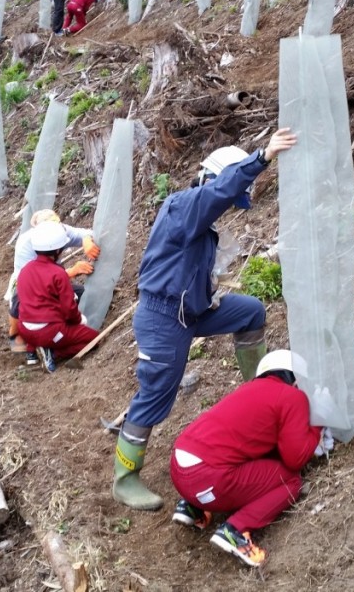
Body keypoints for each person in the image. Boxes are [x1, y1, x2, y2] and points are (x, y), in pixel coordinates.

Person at [111, 128, 298, 512]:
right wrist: (262, 157)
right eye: (230, 194)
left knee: (250, 313)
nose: (230, 205)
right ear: (213, 178)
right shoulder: (185, 206)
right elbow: (220, 193)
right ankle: (124, 478)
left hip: (193, 312)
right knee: (156, 393)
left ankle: (258, 398)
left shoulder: (203, 226)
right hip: (163, 319)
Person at [170, 350, 332, 568]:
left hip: (180, 472)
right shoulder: (292, 396)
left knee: (236, 456)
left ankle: (193, 506)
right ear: (297, 379)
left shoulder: (248, 390)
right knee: (289, 481)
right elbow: (296, 459)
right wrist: (316, 426)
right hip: (210, 479)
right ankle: (235, 530)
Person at [6, 209, 100, 366]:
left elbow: (87, 233)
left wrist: (87, 239)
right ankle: (40, 346)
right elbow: (68, 308)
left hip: (27, 325)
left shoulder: (55, 234)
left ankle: (31, 346)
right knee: (94, 338)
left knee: (79, 293)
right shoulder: (26, 246)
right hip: (48, 327)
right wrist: (77, 321)